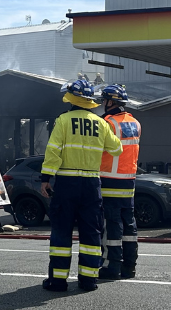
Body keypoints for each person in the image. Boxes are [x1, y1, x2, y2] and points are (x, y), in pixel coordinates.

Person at [40, 79, 123, 292]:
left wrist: (45, 178)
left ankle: (58, 281)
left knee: (61, 231)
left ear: (71, 98)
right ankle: (88, 280)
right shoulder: (102, 123)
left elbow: (53, 151)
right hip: (92, 185)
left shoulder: (64, 120)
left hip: (67, 183)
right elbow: (117, 149)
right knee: (91, 233)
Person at [98, 84, 141, 280]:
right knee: (129, 225)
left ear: (110, 102)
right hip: (129, 182)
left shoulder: (107, 123)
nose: (102, 104)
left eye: (104, 100)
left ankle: (111, 266)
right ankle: (129, 267)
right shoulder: (135, 122)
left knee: (111, 225)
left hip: (109, 180)